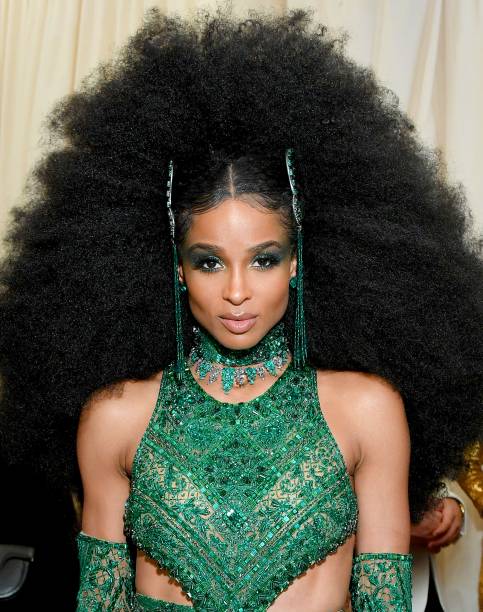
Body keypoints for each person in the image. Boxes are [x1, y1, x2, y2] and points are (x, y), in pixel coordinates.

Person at [0, 7, 482, 611]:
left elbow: (383, 602)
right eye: (208, 262)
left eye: (263, 259)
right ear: (176, 268)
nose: (236, 291)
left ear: (297, 262)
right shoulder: (114, 418)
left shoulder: (367, 410)